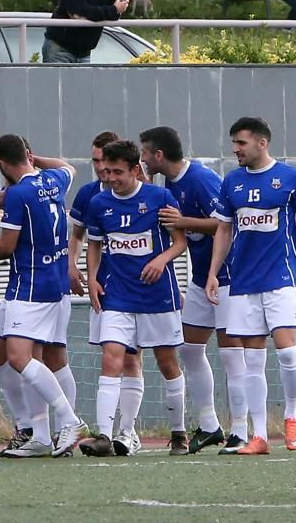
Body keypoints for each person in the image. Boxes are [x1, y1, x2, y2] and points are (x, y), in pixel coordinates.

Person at [206, 117, 296, 455]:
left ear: (261, 143)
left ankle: (292, 415)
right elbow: (223, 230)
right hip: (243, 281)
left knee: (286, 350)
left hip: (281, 277)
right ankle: (260, 436)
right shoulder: (231, 182)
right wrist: (213, 273)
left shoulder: (289, 177)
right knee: (252, 360)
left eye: (241, 142)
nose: (235, 149)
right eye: (233, 142)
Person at [0, 135, 90, 458]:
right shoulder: (53, 179)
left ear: (1, 164)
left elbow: (7, 245)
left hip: (32, 286)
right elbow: (68, 168)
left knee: (22, 357)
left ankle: (68, 421)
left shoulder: (18, 194)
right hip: (45, 284)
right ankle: (36, 432)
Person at [139, 126, 249, 455]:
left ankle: (241, 430)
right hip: (202, 278)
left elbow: (225, 223)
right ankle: (210, 425)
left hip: (229, 277)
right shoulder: (168, 184)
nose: (142, 158)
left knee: (232, 354)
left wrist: (184, 220)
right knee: (188, 348)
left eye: (145, 152)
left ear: (159, 155)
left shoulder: (200, 178)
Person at [79, 140, 189, 457]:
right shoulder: (99, 204)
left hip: (158, 297)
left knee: (167, 362)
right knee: (112, 358)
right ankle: (107, 434)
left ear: (135, 170)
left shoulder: (159, 198)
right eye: (106, 170)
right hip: (118, 295)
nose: (110, 177)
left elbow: (180, 242)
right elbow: (95, 245)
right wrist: (93, 280)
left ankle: (178, 432)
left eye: (117, 171)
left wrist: (161, 260)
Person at [68, 131, 147, 456]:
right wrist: (74, 267)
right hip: (108, 291)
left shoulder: (143, 193)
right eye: (96, 161)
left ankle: (127, 433)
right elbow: (79, 236)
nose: (101, 168)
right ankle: (104, 433)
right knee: (110, 357)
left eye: (106, 162)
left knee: (133, 358)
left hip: (140, 293)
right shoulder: (89, 196)